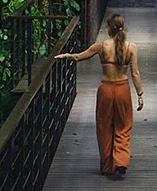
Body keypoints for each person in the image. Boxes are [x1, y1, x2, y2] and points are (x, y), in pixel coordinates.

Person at [56, 13, 143, 176]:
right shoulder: (131, 47)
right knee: (123, 126)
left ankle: (107, 166)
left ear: (109, 28)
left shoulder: (101, 46)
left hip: (105, 90)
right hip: (123, 89)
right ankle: (121, 161)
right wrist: (140, 94)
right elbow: (135, 73)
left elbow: (79, 56)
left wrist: (67, 56)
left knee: (104, 127)